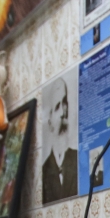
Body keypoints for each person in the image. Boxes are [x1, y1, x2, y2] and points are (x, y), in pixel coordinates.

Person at [42, 76, 78, 204]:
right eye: (57, 107)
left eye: (65, 103)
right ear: (50, 121)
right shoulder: (44, 172)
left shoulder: (79, 160)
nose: (63, 113)